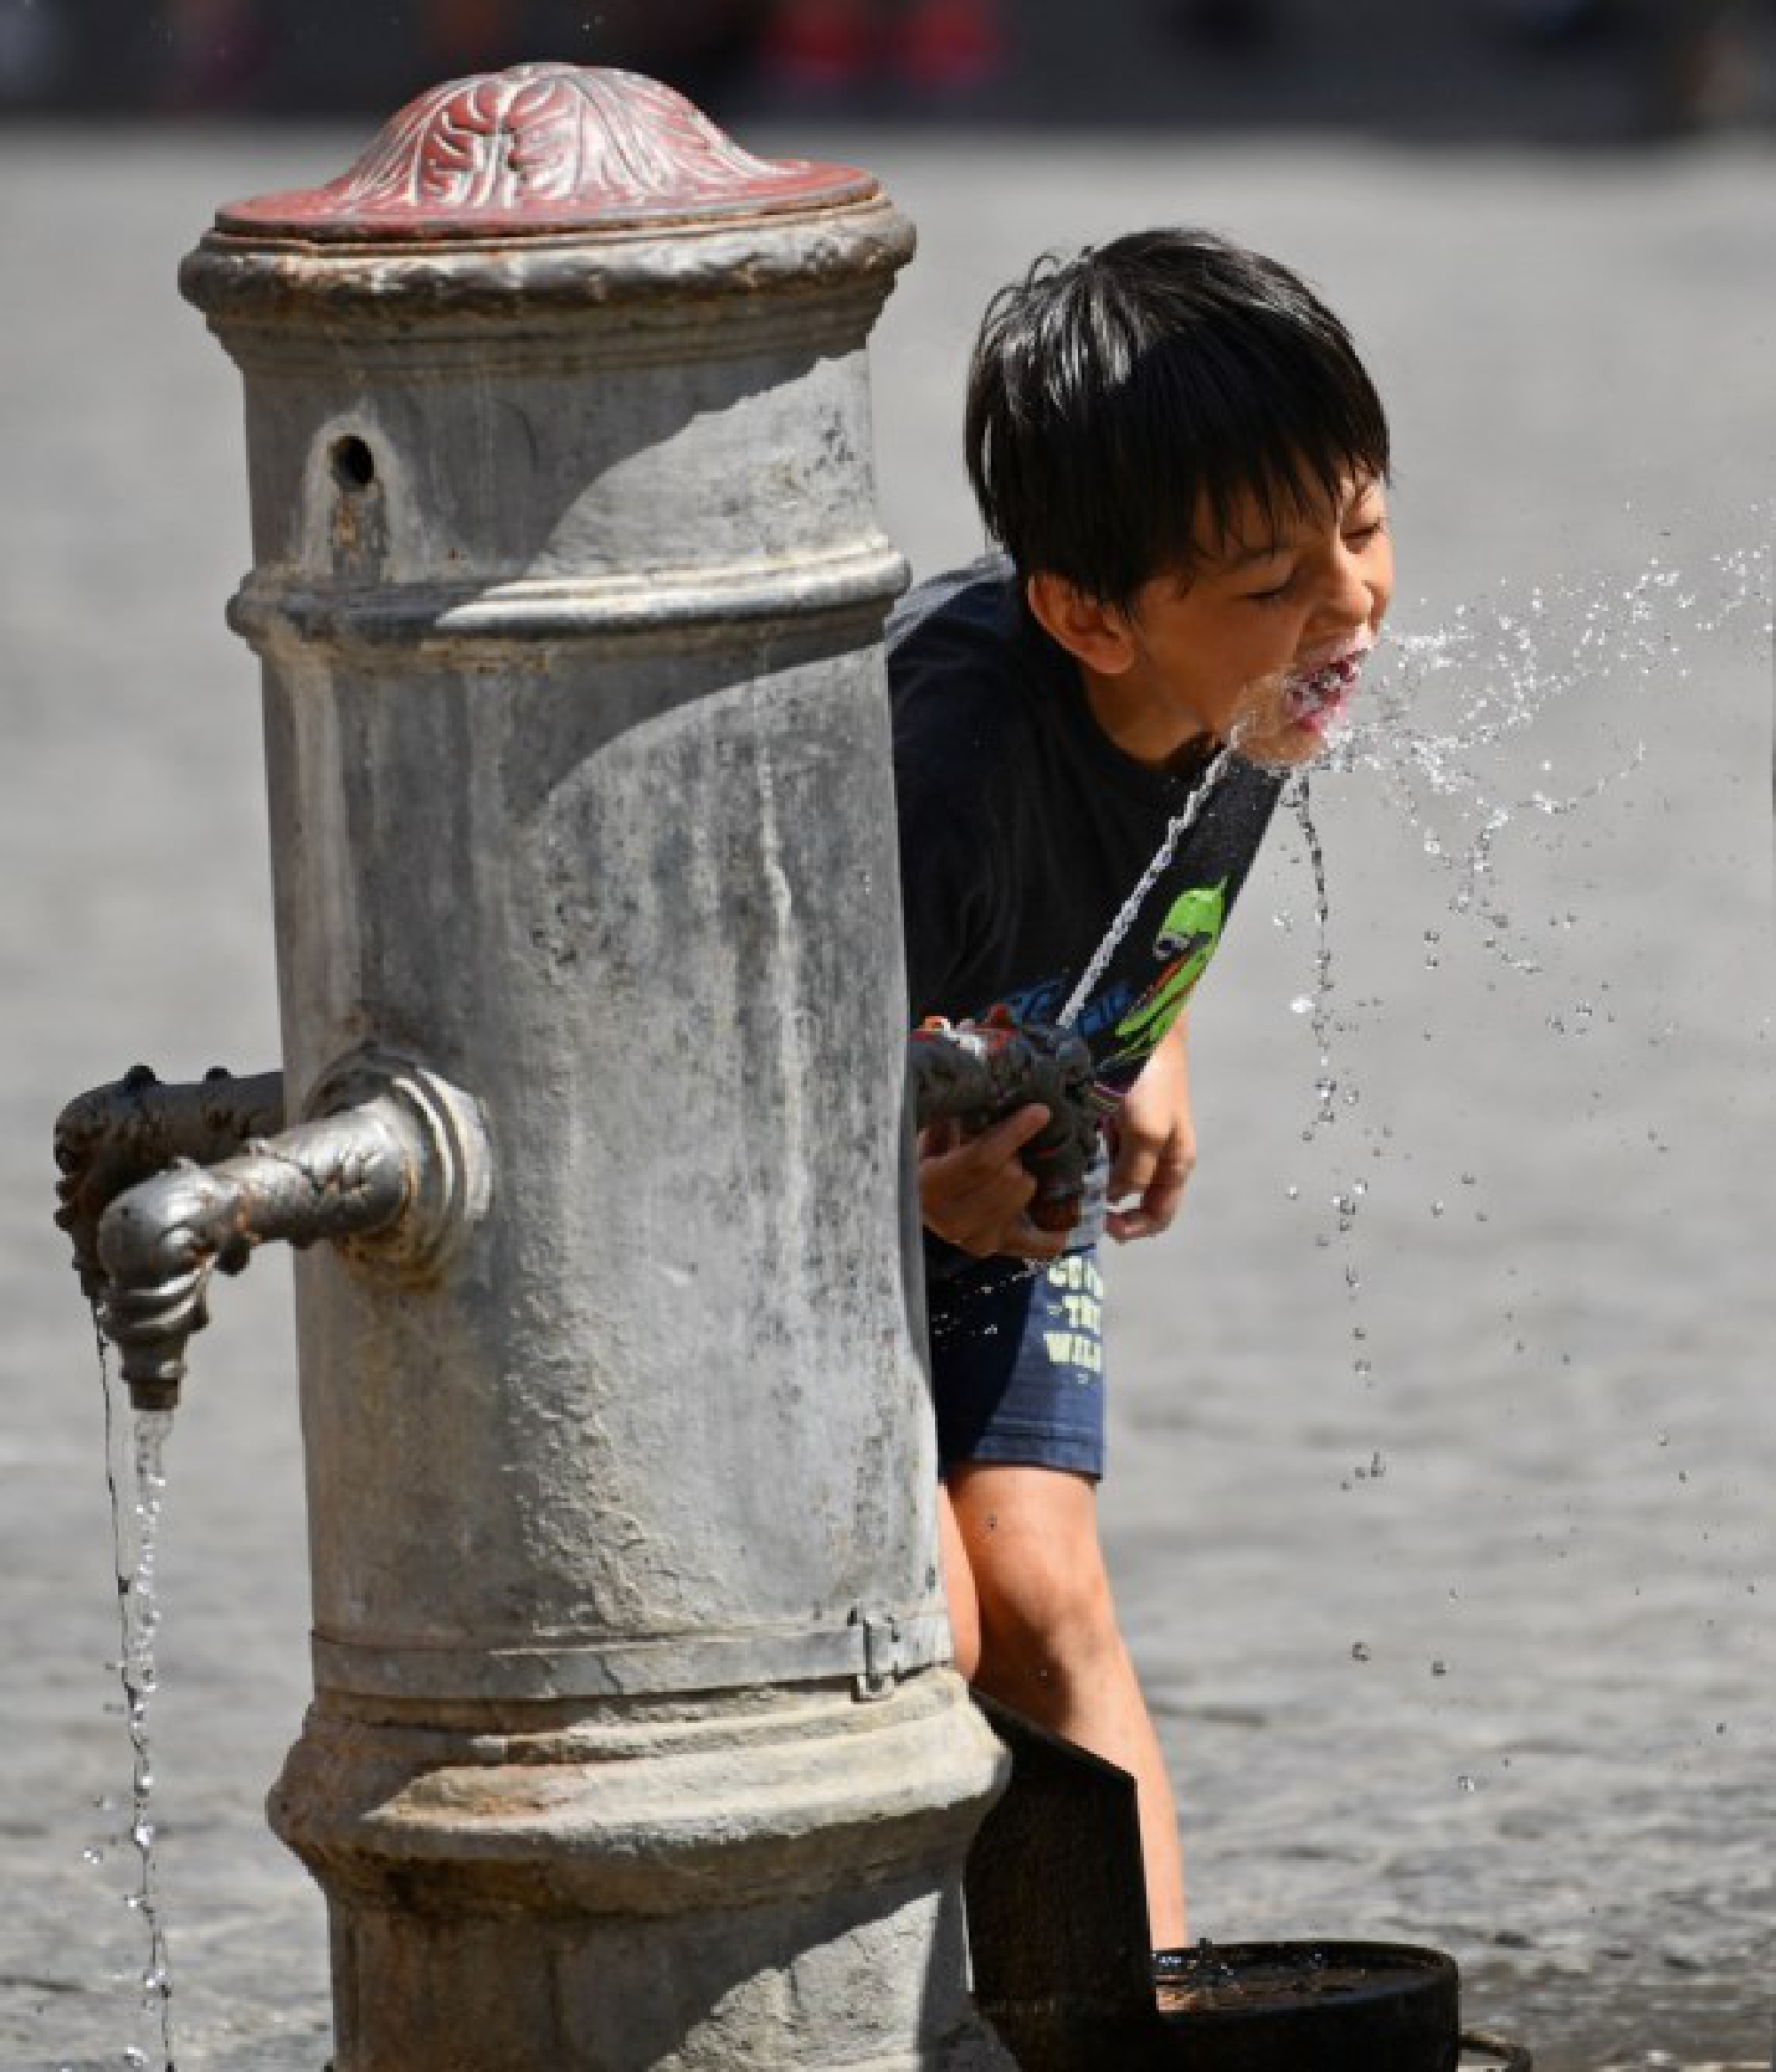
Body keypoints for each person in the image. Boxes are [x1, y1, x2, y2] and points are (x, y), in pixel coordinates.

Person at [888, 228, 1395, 1968]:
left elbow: (1154, 865)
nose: (1343, 604)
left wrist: (1148, 1036)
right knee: (933, 1625)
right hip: (803, 1192)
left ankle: (1144, 2018)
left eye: (1365, 523)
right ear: (1089, 613)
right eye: (1269, 577)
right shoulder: (929, 768)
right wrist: (913, 1192)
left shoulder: (1253, 695)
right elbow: (733, 1103)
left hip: (1002, 1131)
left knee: (1045, 1600)